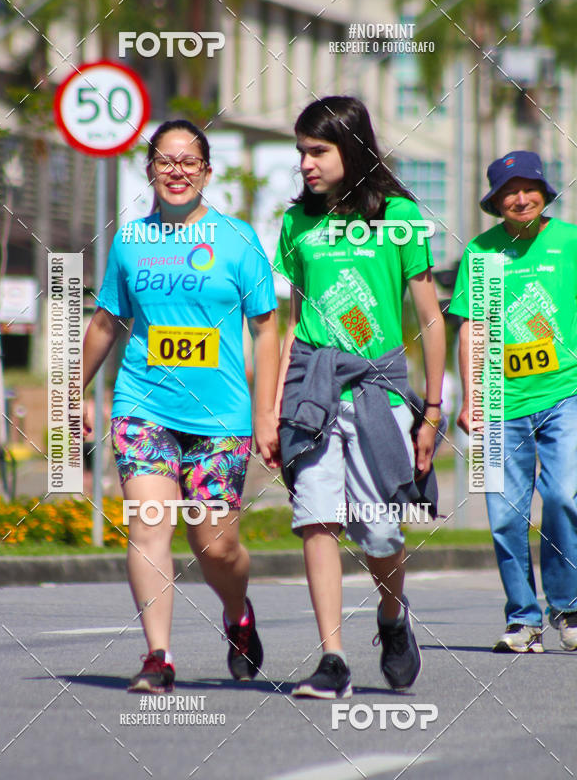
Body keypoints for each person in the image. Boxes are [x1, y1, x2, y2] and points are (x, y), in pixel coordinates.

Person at [83, 119, 280, 692]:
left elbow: (266, 330)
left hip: (221, 416)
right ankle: (158, 657)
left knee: (216, 544)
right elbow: (106, 321)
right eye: (165, 161)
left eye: (189, 161)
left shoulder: (239, 240)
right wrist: (73, 390)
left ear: (207, 172)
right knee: (148, 525)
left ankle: (238, 616)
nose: (176, 171)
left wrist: (266, 412)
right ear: (149, 170)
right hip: (143, 402)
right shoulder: (130, 240)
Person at [273, 96, 446, 698]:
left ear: (352, 148)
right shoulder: (297, 222)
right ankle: (333, 661)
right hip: (312, 385)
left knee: (379, 534)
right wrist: (273, 409)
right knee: (316, 520)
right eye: (301, 152)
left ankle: (393, 618)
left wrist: (432, 408)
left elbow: (429, 317)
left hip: (380, 389)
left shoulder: (399, 215)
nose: (305, 164)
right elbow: (296, 319)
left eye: (317, 150)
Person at [451, 150, 577, 653]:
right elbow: (470, 330)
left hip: (565, 393)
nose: (520, 198)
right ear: (496, 200)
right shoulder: (481, 253)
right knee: (504, 514)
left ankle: (568, 609)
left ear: (544, 192)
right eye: (509, 190)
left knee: (565, 500)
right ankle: (523, 619)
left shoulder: (569, 242)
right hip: (496, 401)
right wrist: (469, 399)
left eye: (529, 188)